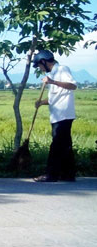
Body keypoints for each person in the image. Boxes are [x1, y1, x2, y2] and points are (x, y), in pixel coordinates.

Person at [32, 50, 77, 182]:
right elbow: (55, 97)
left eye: (39, 66)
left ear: (44, 62)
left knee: (56, 146)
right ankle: (68, 174)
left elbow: (72, 86)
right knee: (65, 145)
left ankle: (51, 174)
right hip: (58, 115)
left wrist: (53, 82)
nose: (40, 69)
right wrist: (41, 102)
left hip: (64, 114)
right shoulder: (52, 74)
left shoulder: (62, 69)